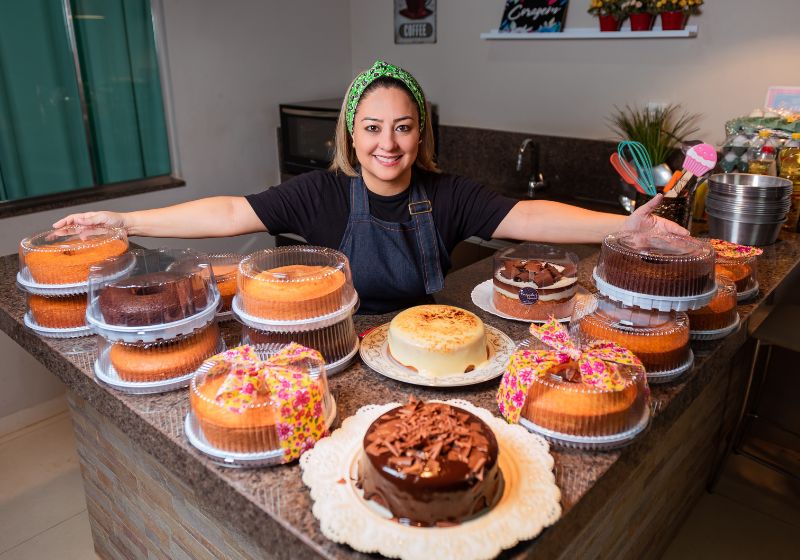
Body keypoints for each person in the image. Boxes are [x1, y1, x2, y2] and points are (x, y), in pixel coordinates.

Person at [55, 60, 686, 314]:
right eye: (373, 128)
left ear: (421, 136)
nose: (388, 144)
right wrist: (126, 220)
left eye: (404, 128)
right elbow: (227, 211)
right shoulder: (322, 193)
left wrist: (620, 227)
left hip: (431, 338)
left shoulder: (449, 193)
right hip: (343, 343)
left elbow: (528, 216)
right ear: (351, 137)